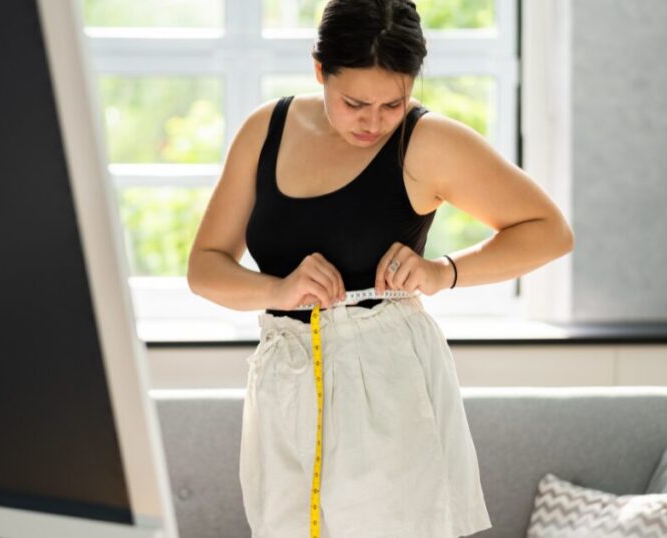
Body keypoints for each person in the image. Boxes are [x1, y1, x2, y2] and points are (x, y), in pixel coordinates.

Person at [186, 0, 574, 535]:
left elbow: (549, 230)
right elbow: (204, 268)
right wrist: (279, 288)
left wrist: (445, 272)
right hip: (282, 385)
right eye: (354, 103)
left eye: (393, 103)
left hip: (387, 387)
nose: (373, 122)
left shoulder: (428, 142)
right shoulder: (266, 131)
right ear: (319, 69)